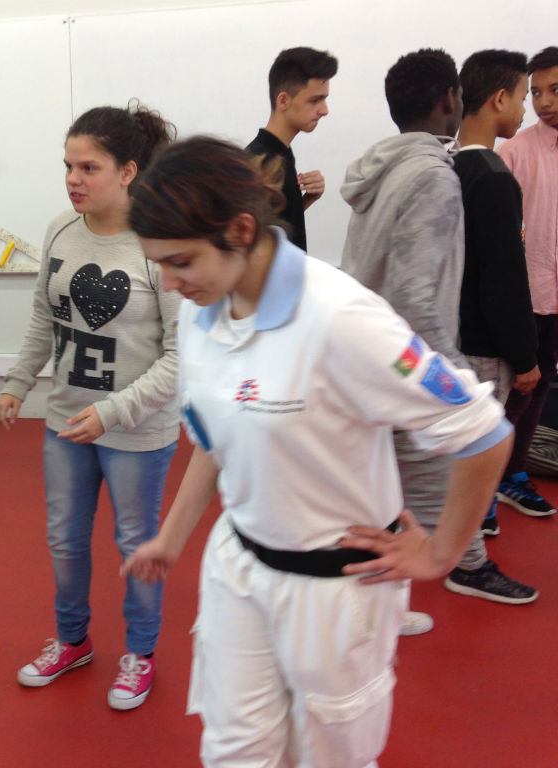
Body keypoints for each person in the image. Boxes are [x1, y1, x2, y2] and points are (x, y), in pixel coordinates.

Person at [122, 136, 512, 768]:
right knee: (234, 749)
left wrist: (442, 553)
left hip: (336, 591)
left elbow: (481, 430)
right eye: (159, 264)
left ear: (240, 230)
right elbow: (220, 439)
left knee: (331, 756)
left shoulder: (341, 317)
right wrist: (171, 538)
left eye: (181, 261)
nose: (169, 283)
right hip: (239, 567)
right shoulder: (202, 310)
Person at [0, 102, 181, 711]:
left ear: (128, 171)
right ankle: (72, 641)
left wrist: (115, 411)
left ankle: (141, 654)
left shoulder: (158, 243)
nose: (73, 179)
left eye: (88, 168)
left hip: (137, 429)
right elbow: (43, 318)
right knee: (65, 540)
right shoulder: (60, 229)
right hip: (66, 421)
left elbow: (181, 356)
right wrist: (19, 380)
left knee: (136, 544)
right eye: (68, 166)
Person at [340, 49, 536, 612]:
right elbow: (414, 296)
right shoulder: (431, 176)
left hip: (371, 350)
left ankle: (386, 600)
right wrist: (453, 375)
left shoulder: (385, 167)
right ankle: (458, 569)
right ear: (451, 99)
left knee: (387, 485)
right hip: (404, 356)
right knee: (444, 480)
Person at [454, 49, 539, 538]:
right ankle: (470, 539)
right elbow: (503, 278)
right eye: (524, 97)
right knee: (482, 443)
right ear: (500, 98)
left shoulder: (445, 166)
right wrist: (524, 357)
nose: (525, 109)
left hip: (451, 333)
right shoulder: (493, 177)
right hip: (486, 346)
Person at [496, 46, 558, 519]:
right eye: (535, 92)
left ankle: (514, 474)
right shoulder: (513, 151)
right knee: (511, 393)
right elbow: (499, 238)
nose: (543, 101)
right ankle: (485, 485)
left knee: (541, 390)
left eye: (553, 90)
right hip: (524, 296)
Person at [245, 46, 337, 251]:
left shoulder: (279, 153)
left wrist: (302, 202)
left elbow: (274, 230)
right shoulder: (260, 163)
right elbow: (254, 249)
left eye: (325, 99)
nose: (324, 110)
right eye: (315, 100)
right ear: (283, 101)